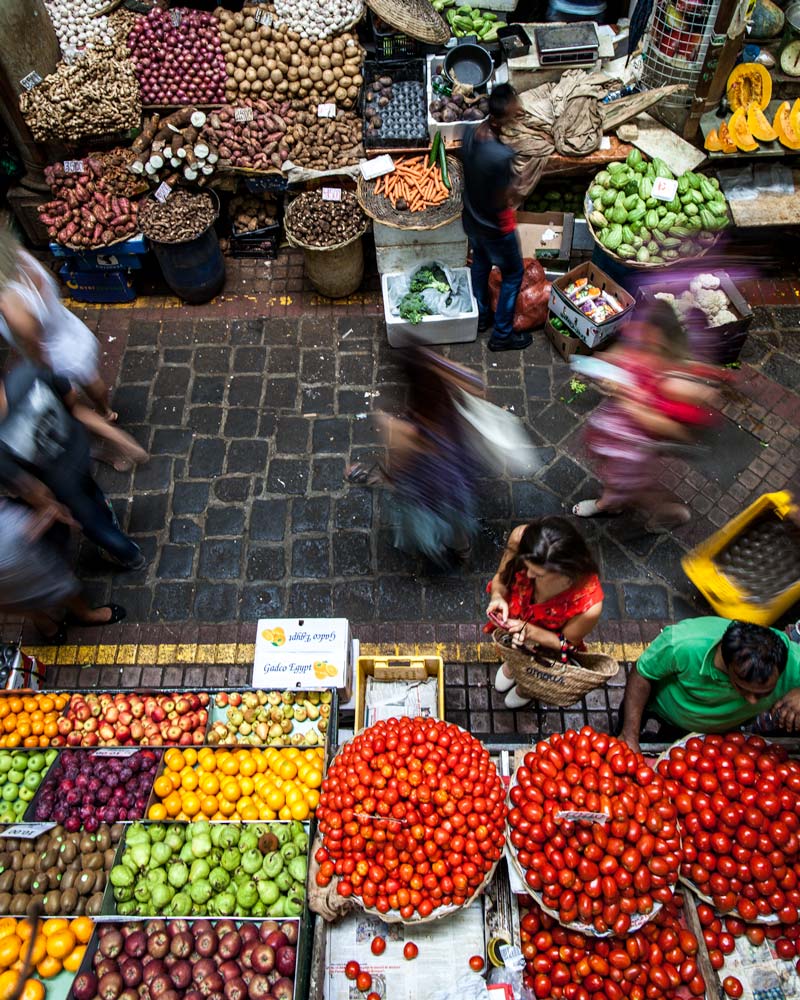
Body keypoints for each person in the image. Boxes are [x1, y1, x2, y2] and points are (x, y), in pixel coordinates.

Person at [572, 301, 720, 531]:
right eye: (644, 337)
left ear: (667, 341)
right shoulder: (641, 339)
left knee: (625, 485)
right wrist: (601, 366)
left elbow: (673, 429)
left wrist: (626, 396)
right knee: (617, 475)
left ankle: (627, 507)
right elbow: (619, 354)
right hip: (614, 431)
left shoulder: (676, 380)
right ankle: (618, 499)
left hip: (632, 446)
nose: (645, 345)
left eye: (654, 343)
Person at [0, 361, 147, 571]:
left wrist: (56, 511)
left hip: (61, 486)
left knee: (92, 522)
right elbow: (75, 406)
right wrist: (120, 438)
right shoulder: (29, 373)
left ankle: (131, 556)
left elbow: (32, 489)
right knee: (91, 489)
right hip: (79, 452)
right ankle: (108, 515)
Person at [345, 346, 485, 567]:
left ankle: (371, 478)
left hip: (426, 492)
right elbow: (476, 382)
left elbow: (397, 468)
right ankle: (463, 552)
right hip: (456, 481)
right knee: (458, 522)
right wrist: (436, 363)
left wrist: (384, 425)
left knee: (426, 520)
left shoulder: (408, 429)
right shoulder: (451, 399)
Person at [619, 617, 800, 753]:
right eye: (744, 690)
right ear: (727, 667)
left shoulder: (793, 662)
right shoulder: (682, 644)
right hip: (659, 707)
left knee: (667, 744)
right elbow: (642, 674)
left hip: (705, 732)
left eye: (763, 694)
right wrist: (629, 735)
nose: (753, 702)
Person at [486, 516, 604, 709]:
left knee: (532, 672)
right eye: (528, 567)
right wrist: (497, 596)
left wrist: (530, 632)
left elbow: (566, 644)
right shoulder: (521, 539)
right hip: (519, 622)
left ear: (566, 573)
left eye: (539, 574)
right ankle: (511, 666)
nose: (529, 575)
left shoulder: (588, 605)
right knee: (513, 653)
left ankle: (525, 689)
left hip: (544, 644)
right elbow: (502, 576)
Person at [0, 228, 116, 421]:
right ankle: (107, 411)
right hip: (67, 326)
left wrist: (42, 370)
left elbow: (32, 344)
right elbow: (52, 279)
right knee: (91, 377)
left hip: (54, 353)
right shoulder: (20, 256)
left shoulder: (11, 305)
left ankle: (87, 420)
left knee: (68, 394)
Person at [461, 83, 531, 352]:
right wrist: (515, 186)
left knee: (480, 263)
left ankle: (480, 316)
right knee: (513, 274)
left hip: (472, 220)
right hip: (495, 227)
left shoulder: (471, 134)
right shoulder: (501, 156)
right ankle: (502, 334)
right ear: (505, 115)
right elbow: (504, 197)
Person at [0, 497, 126, 643]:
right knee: (19, 597)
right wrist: (49, 513)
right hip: (16, 549)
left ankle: (75, 617)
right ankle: (57, 619)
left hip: (16, 551)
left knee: (49, 584)